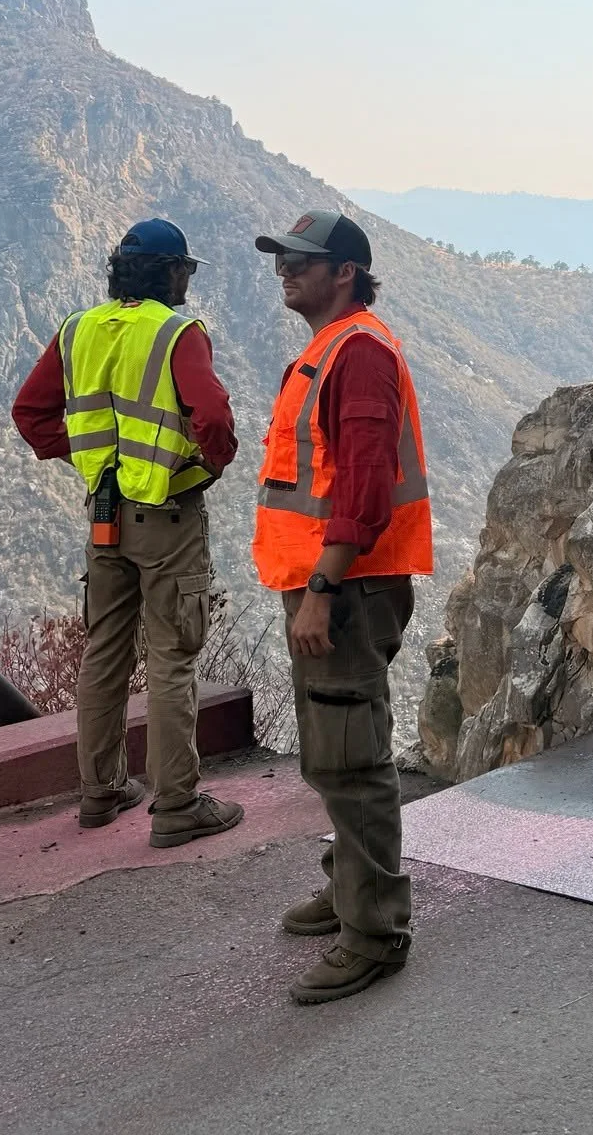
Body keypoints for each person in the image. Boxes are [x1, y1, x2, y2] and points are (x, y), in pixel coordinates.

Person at [11, 219, 244, 845]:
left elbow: (29, 413)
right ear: (170, 272)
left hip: (104, 513)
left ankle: (101, 790)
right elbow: (212, 415)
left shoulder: (77, 329)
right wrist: (212, 461)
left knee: (104, 650)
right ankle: (177, 805)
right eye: (185, 269)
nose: (188, 280)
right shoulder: (176, 333)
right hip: (167, 514)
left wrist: (87, 457)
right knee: (171, 658)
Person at [253, 210, 432, 1005]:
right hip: (328, 584)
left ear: (345, 273)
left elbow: (362, 490)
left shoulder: (357, 352)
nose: (285, 271)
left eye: (302, 260)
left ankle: (375, 933)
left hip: (347, 587)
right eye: (282, 259)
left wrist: (321, 592)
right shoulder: (329, 349)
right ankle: (350, 885)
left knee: (353, 762)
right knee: (331, 751)